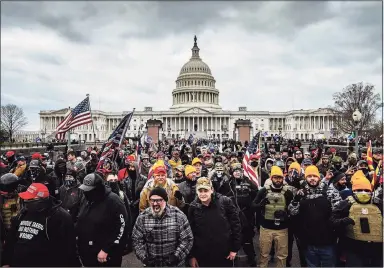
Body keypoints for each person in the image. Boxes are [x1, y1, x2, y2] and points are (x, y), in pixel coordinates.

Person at [2, 183, 80, 267]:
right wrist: (6, 261)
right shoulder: (23, 213)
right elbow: (11, 240)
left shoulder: (60, 217)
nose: (26, 201)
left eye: (29, 199)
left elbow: (69, 248)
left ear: (40, 200)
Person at [331, 171, 383, 267]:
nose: (363, 193)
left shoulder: (379, 204)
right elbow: (332, 220)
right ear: (353, 191)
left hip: (377, 251)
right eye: (359, 190)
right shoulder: (346, 203)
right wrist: (342, 222)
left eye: (366, 190)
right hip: (354, 250)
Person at [132, 187, 194, 267]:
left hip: (175, 265)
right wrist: (144, 258)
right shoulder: (142, 217)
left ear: (165, 200)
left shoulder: (178, 216)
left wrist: (176, 256)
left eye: (159, 200)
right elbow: (136, 240)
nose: (155, 204)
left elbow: (187, 239)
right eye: (152, 200)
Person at [76, 173, 128, 267]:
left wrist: (106, 249)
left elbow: (122, 227)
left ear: (98, 188)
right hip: (88, 252)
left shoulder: (113, 201)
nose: (86, 193)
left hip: (106, 255)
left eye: (89, 190)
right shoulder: (87, 199)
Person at [288, 165, 336, 267]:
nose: (312, 178)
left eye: (315, 176)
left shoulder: (329, 191)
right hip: (309, 242)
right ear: (306, 178)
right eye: (309, 176)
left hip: (327, 241)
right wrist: (296, 200)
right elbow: (292, 212)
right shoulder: (301, 193)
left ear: (319, 177)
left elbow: (337, 211)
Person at [188, 177, 241, 267]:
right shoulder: (193, 207)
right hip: (203, 255)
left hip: (224, 253)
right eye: (200, 191)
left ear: (212, 190)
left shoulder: (225, 202)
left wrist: (235, 249)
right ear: (197, 192)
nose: (203, 194)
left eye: (206, 190)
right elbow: (190, 233)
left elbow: (236, 226)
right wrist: (192, 256)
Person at [253, 166, 293, 267]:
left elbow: (293, 209)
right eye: (275, 177)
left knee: (282, 255)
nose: (278, 180)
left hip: (282, 229)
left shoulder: (288, 192)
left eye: (280, 177)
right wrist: (260, 205)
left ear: (283, 178)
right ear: (271, 178)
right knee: (264, 254)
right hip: (266, 228)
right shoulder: (263, 191)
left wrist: (286, 213)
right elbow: (253, 206)